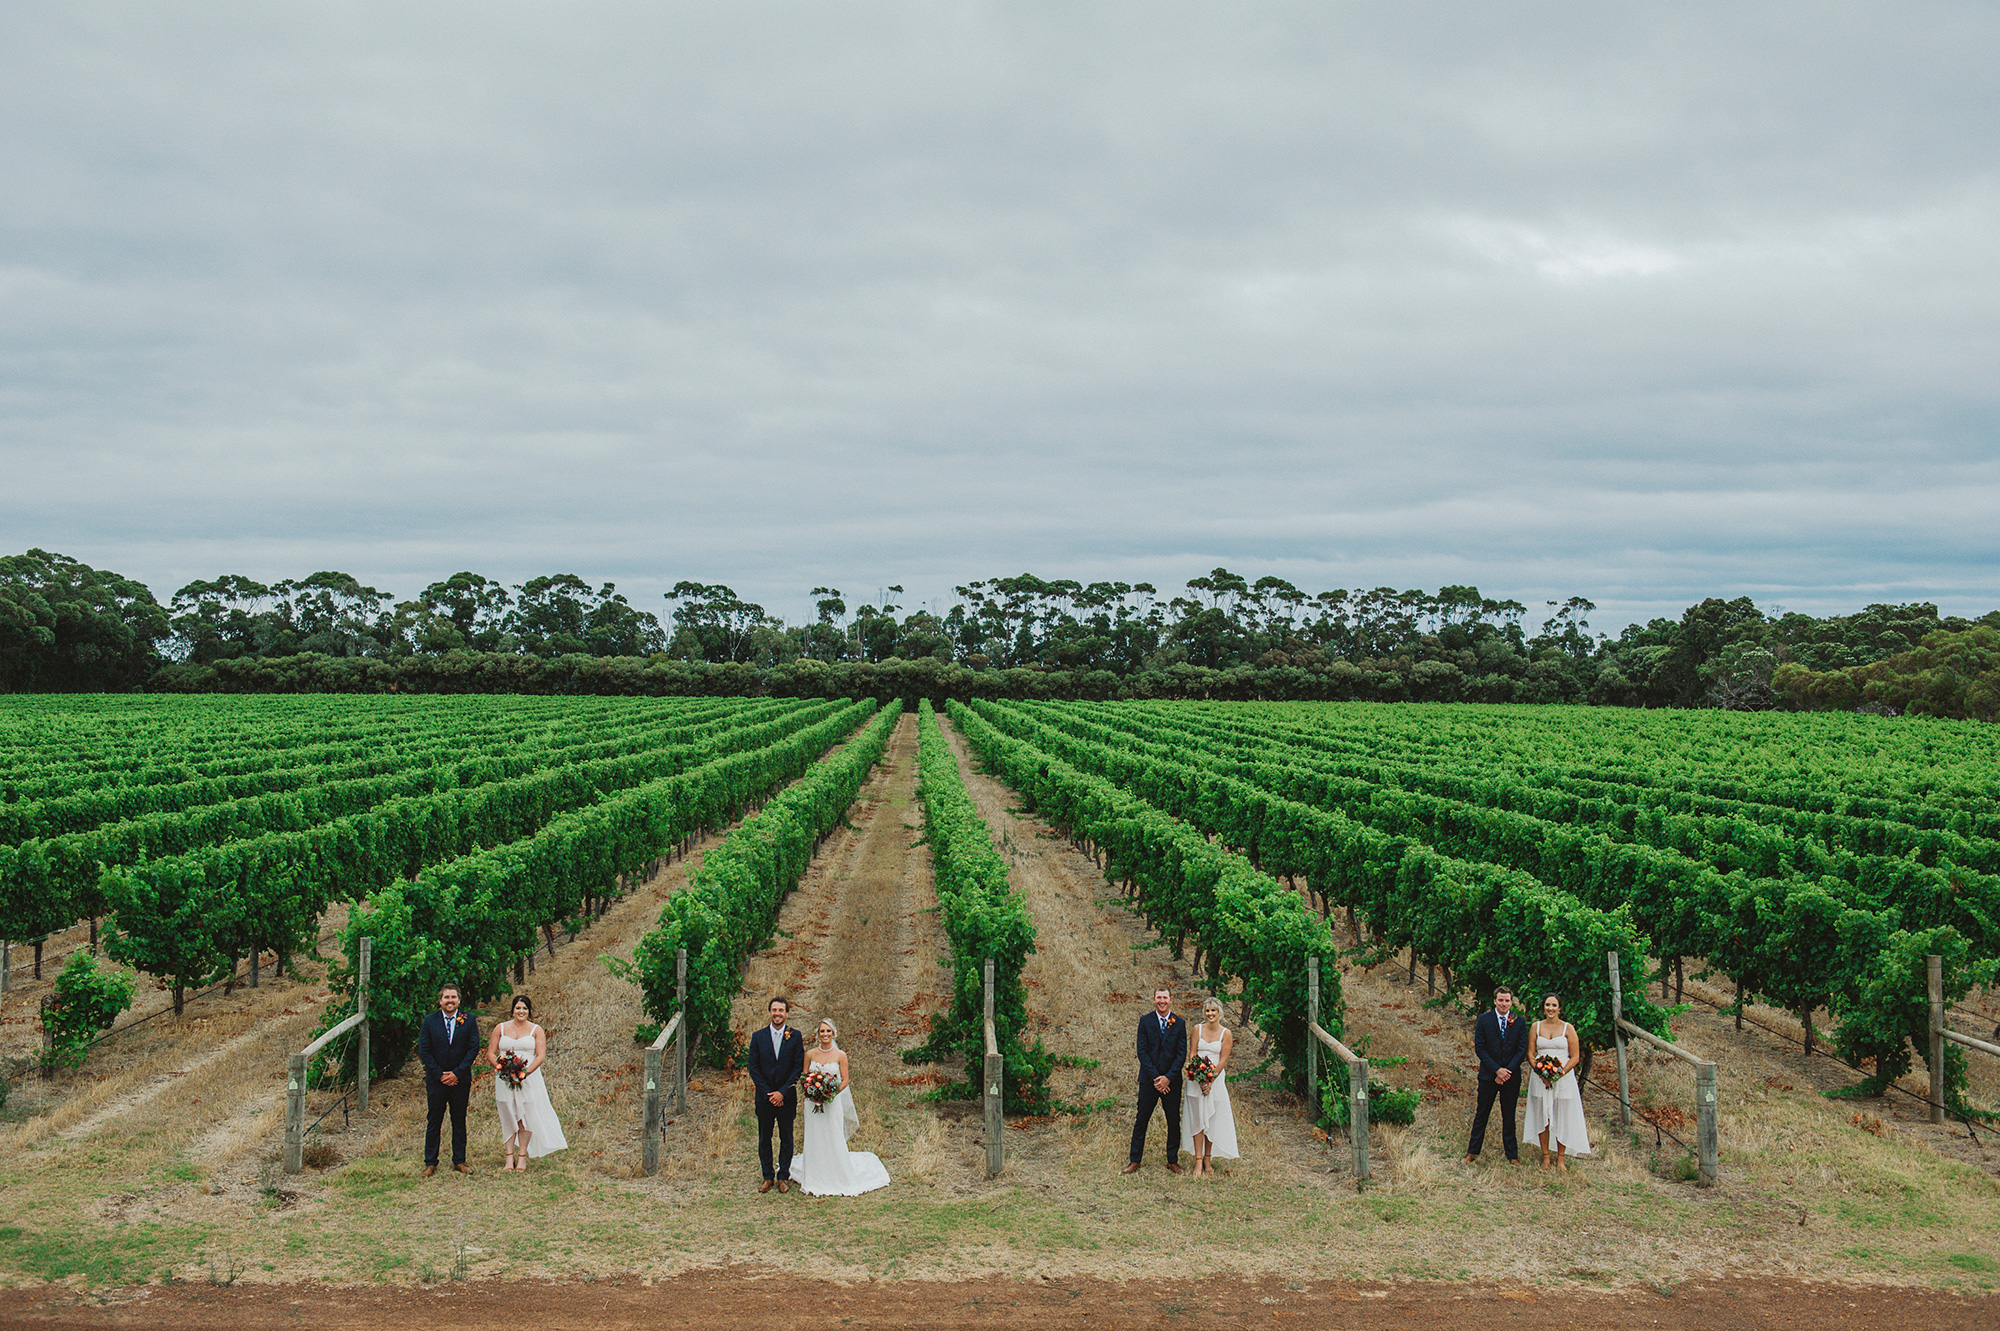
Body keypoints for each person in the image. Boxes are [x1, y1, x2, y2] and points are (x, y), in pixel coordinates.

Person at [792, 1018, 891, 1197]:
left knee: (832, 1134)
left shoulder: (840, 1055)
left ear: (834, 1033)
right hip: (812, 1103)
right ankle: (814, 1174)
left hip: (832, 1101)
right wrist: (813, 1094)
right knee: (815, 1135)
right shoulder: (810, 1054)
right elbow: (804, 1077)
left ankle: (836, 1173)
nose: (825, 1034)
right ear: (817, 1034)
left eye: (828, 1031)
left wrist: (829, 1094)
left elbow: (845, 1080)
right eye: (822, 1031)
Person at [488, 994, 567, 1171]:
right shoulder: (500, 1028)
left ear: (529, 1011)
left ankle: (522, 1156)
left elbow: (540, 1056)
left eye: (524, 1008)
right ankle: (509, 1157)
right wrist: (502, 1069)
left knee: (526, 1115)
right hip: (505, 1078)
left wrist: (524, 1073)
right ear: (512, 1010)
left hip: (528, 1079)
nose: (521, 1011)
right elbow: (491, 1053)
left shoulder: (536, 1030)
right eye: (518, 1008)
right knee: (507, 1112)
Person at [418, 983, 480, 1177]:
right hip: (436, 1081)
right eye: (446, 997)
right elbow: (424, 1050)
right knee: (434, 1119)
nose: (450, 1001)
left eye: (453, 997)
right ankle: (430, 1162)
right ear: (440, 1001)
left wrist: (457, 1073)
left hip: (459, 1080)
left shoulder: (469, 1020)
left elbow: (473, 1049)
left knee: (459, 1119)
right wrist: (439, 1074)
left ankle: (459, 1160)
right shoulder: (430, 1021)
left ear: (459, 1000)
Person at [1524, 993, 1591, 1170]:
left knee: (1562, 1116)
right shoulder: (1535, 1027)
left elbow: (1575, 1056)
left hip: (1563, 1078)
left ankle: (1560, 1158)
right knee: (1542, 1116)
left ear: (1560, 1008)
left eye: (1554, 1005)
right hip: (1540, 1078)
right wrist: (1540, 1071)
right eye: (1547, 1005)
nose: (1550, 1009)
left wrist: (1558, 1074)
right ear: (1543, 1007)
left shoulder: (1568, 1029)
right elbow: (1531, 1054)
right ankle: (1546, 1156)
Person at [1125, 986, 1187, 1174]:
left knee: (1173, 1120)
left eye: (1165, 997)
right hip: (1149, 1080)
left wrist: (1168, 1078)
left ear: (1171, 999)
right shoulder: (1145, 1021)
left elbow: (1181, 1053)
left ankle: (1172, 1160)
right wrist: (1156, 1078)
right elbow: (1142, 1052)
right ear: (1154, 1000)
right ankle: (1135, 1160)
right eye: (1159, 997)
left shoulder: (1179, 1023)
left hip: (1172, 1082)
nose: (1162, 1001)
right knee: (1141, 1119)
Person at [746, 995, 804, 1193]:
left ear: (787, 1013)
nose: (777, 1014)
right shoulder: (758, 1037)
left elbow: (797, 1068)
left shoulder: (795, 1036)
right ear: (769, 1012)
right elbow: (753, 1067)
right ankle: (767, 1176)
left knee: (786, 1137)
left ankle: (783, 1176)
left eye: (781, 1010)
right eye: (774, 1010)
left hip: (786, 1098)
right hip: (764, 1097)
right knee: (765, 1137)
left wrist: (782, 1093)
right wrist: (769, 1093)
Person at [1465, 985, 1526, 1165]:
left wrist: (1507, 1071)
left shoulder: (1519, 1021)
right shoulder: (1484, 1020)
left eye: (1507, 1000)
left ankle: (1512, 1155)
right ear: (1494, 1001)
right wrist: (1496, 1070)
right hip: (1488, 1076)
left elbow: (1521, 1050)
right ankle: (1472, 1152)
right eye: (1500, 1000)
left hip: (1511, 1077)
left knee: (1509, 1116)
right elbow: (1480, 1048)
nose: (1504, 1003)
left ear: (1511, 1002)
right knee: (1481, 1114)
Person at [1180, 996, 1238, 1177]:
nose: (1210, 1014)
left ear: (1220, 1012)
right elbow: (1192, 1053)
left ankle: (1207, 1157)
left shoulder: (1226, 1033)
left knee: (1210, 1118)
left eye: (1213, 1010)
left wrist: (1211, 1079)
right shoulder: (1197, 1029)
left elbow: (1223, 1059)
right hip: (1196, 1079)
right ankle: (1197, 1160)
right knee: (1197, 1118)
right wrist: (1199, 1075)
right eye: (1207, 1010)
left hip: (1215, 1080)